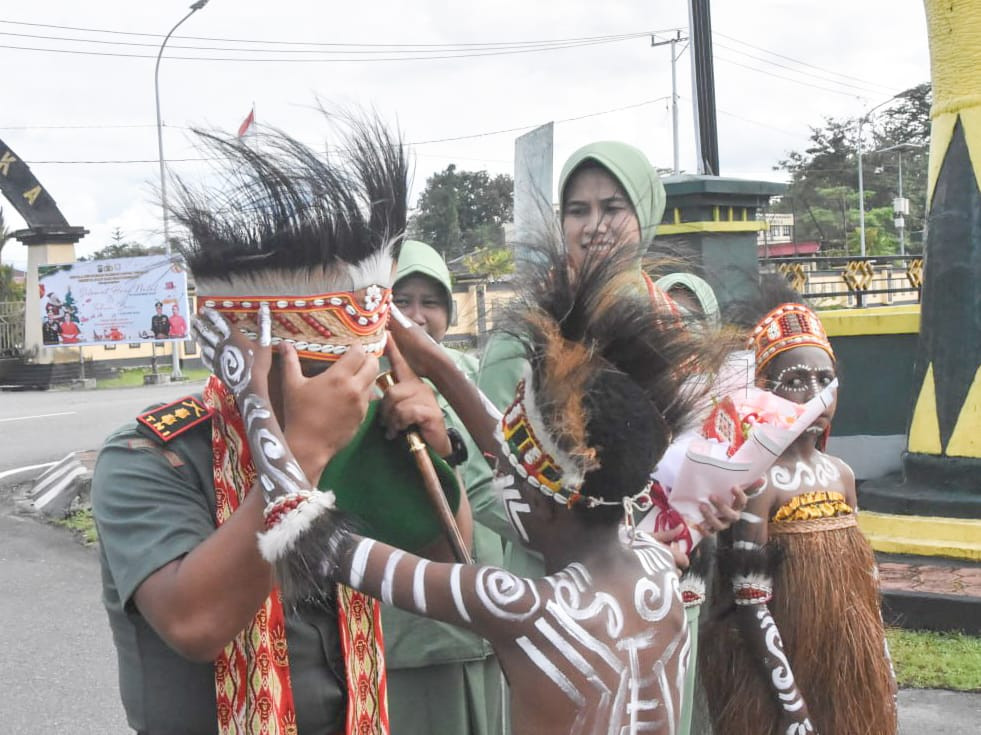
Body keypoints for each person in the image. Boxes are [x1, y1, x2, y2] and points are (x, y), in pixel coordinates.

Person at [200, 233, 726, 735]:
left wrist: (253, 393)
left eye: (506, 474)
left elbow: (302, 529)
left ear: (542, 508)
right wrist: (439, 366)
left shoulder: (516, 605)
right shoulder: (653, 561)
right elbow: (542, 467)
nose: (496, 467)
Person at [92, 118, 465, 735]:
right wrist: (297, 455)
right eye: (326, 369)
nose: (349, 389)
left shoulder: (362, 430)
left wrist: (432, 447)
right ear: (256, 362)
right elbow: (195, 624)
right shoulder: (149, 456)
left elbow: (446, 561)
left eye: (362, 366)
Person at [699, 276, 898, 734]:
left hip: (845, 670)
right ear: (763, 391)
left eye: (825, 379)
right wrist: (790, 706)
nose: (815, 395)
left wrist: (880, 664)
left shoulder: (842, 475)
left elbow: (864, 583)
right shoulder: (758, 484)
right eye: (795, 381)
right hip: (783, 672)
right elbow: (751, 602)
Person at [383, 239, 504, 735]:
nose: (416, 316)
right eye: (401, 301)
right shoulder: (363, 386)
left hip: (493, 617)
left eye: (430, 302)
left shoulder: (474, 381)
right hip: (409, 631)